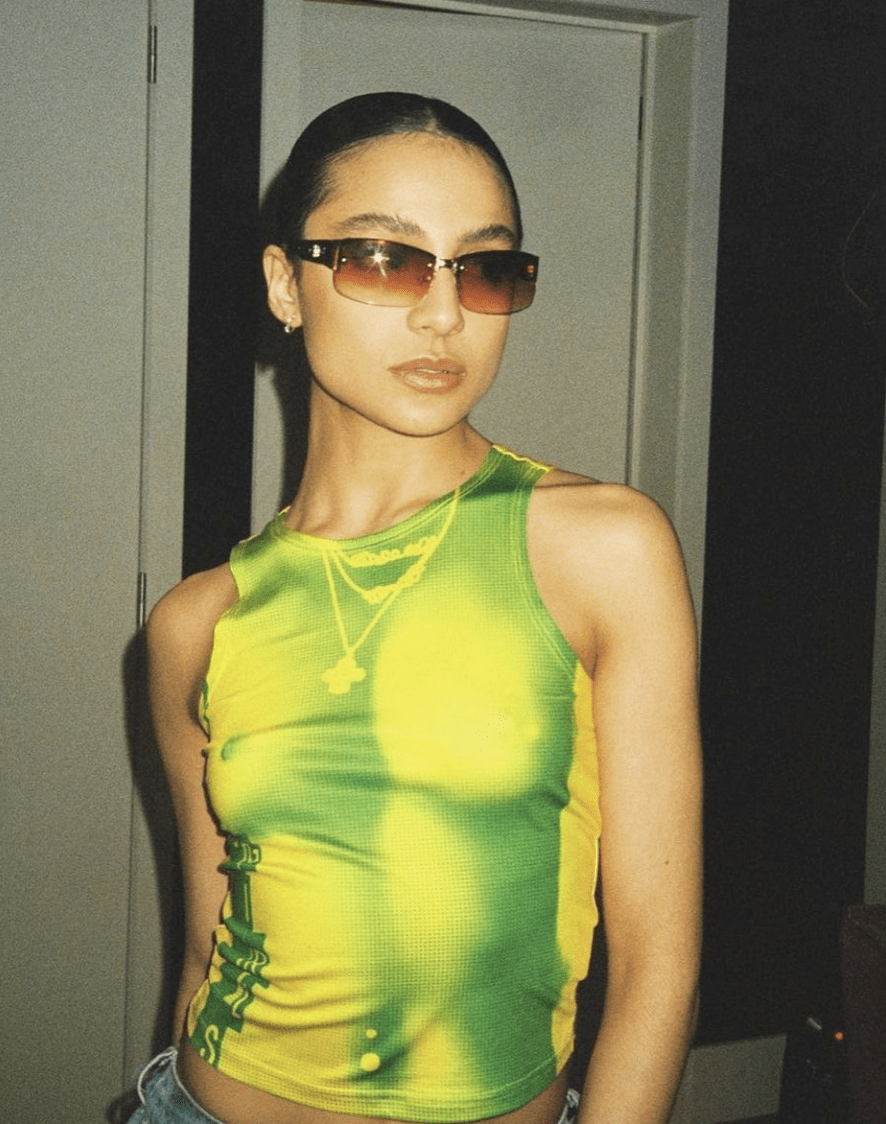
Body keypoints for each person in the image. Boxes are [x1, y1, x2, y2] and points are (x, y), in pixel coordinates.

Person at [138, 92, 701, 1124]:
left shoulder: (602, 548)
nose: (443, 314)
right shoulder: (194, 623)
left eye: (482, 268)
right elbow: (207, 946)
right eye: (383, 259)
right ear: (285, 284)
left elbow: (658, 962)